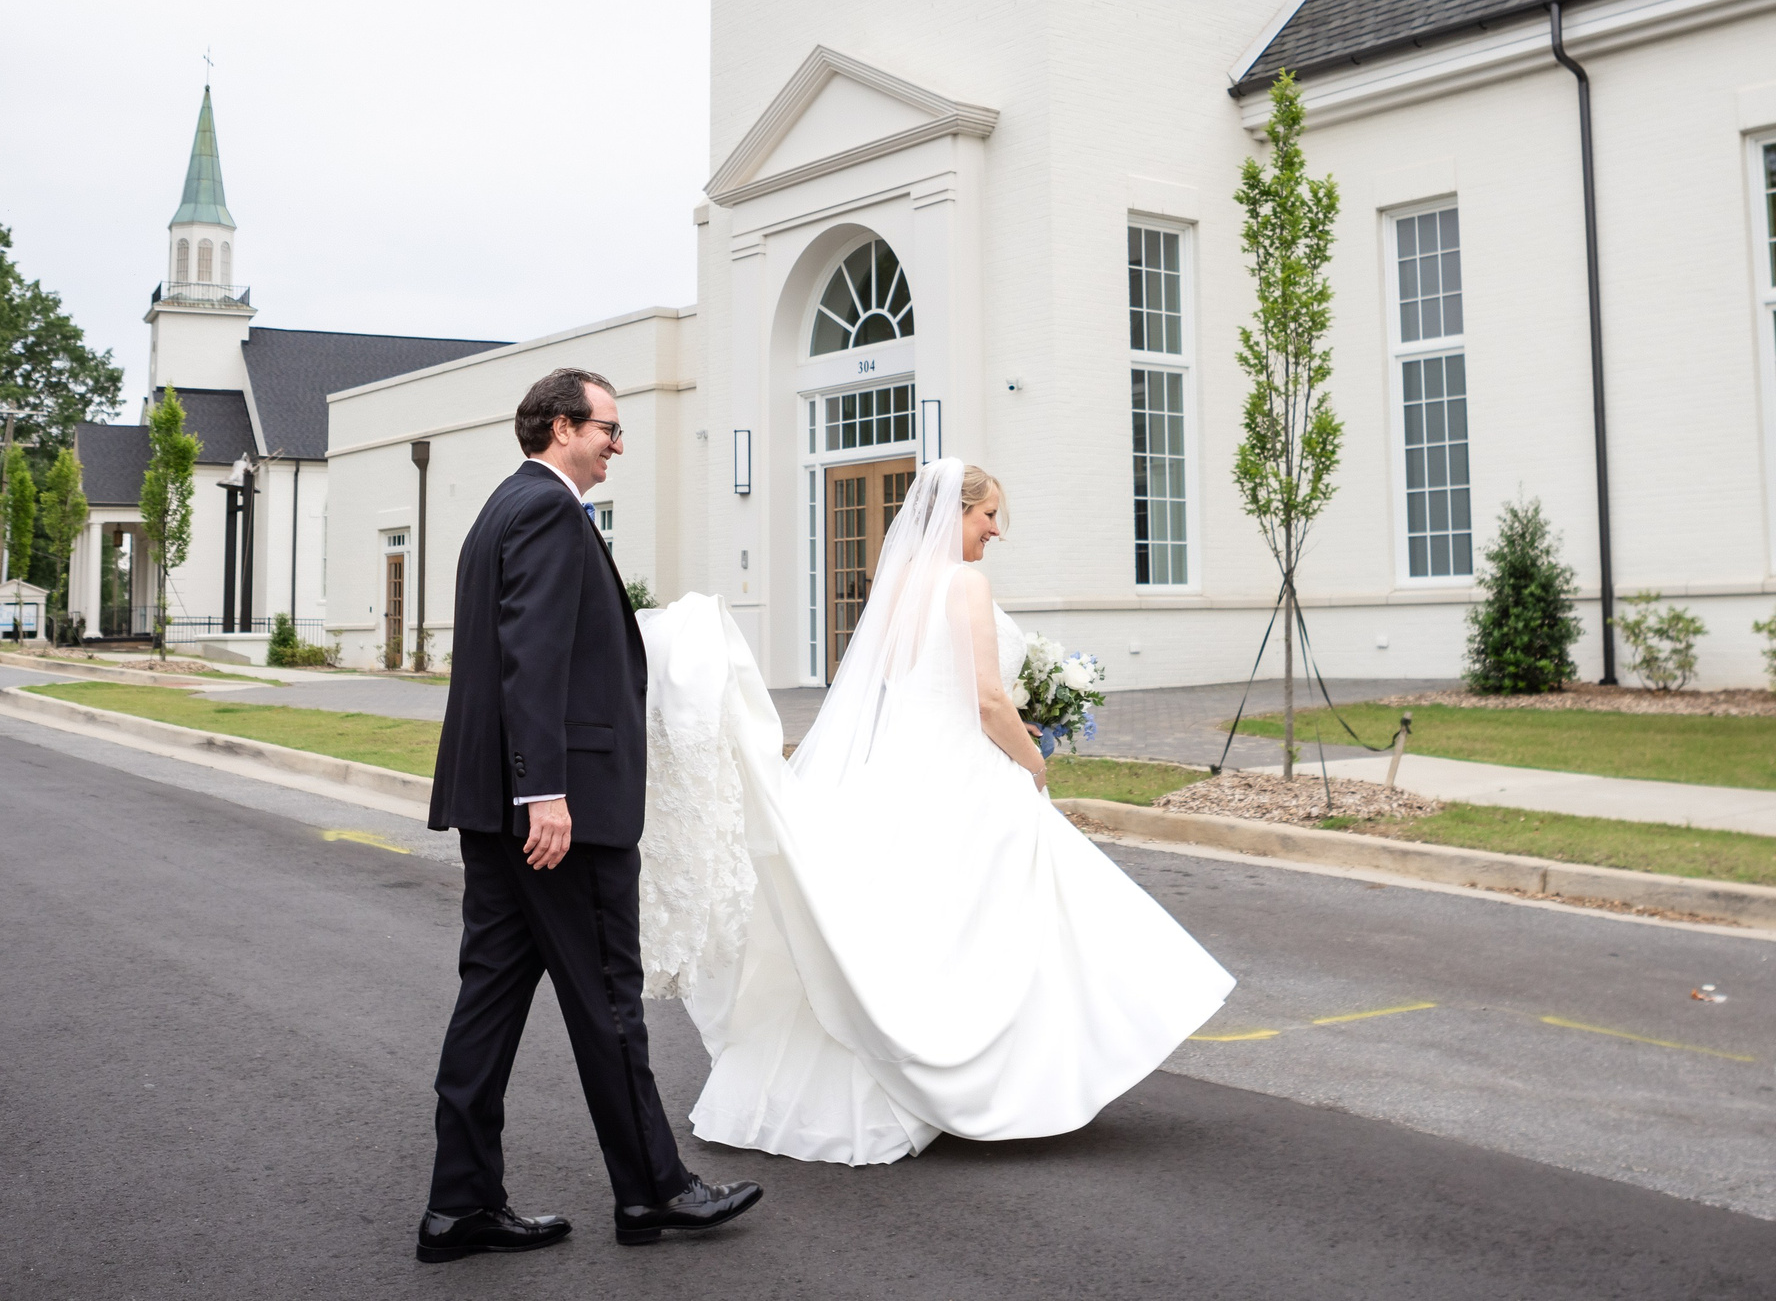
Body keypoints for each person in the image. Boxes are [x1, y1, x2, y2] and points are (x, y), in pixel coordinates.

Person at [636, 458, 1234, 1166]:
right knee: (1020, 925)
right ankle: (1015, 1077)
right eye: (988, 518)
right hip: (969, 773)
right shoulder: (965, 583)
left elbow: (899, 685)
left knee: (905, 929)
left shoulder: (897, 591)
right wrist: (1032, 758)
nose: (995, 533)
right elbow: (985, 699)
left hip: (902, 770)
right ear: (957, 512)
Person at [417, 367, 763, 1260]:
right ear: (564, 425)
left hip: (494, 808)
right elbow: (531, 659)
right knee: (610, 998)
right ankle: (654, 1192)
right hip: (550, 815)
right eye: (610, 428)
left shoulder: (503, 506)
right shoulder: (545, 511)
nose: (618, 444)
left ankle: (461, 1205)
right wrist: (546, 793)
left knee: (489, 1000)